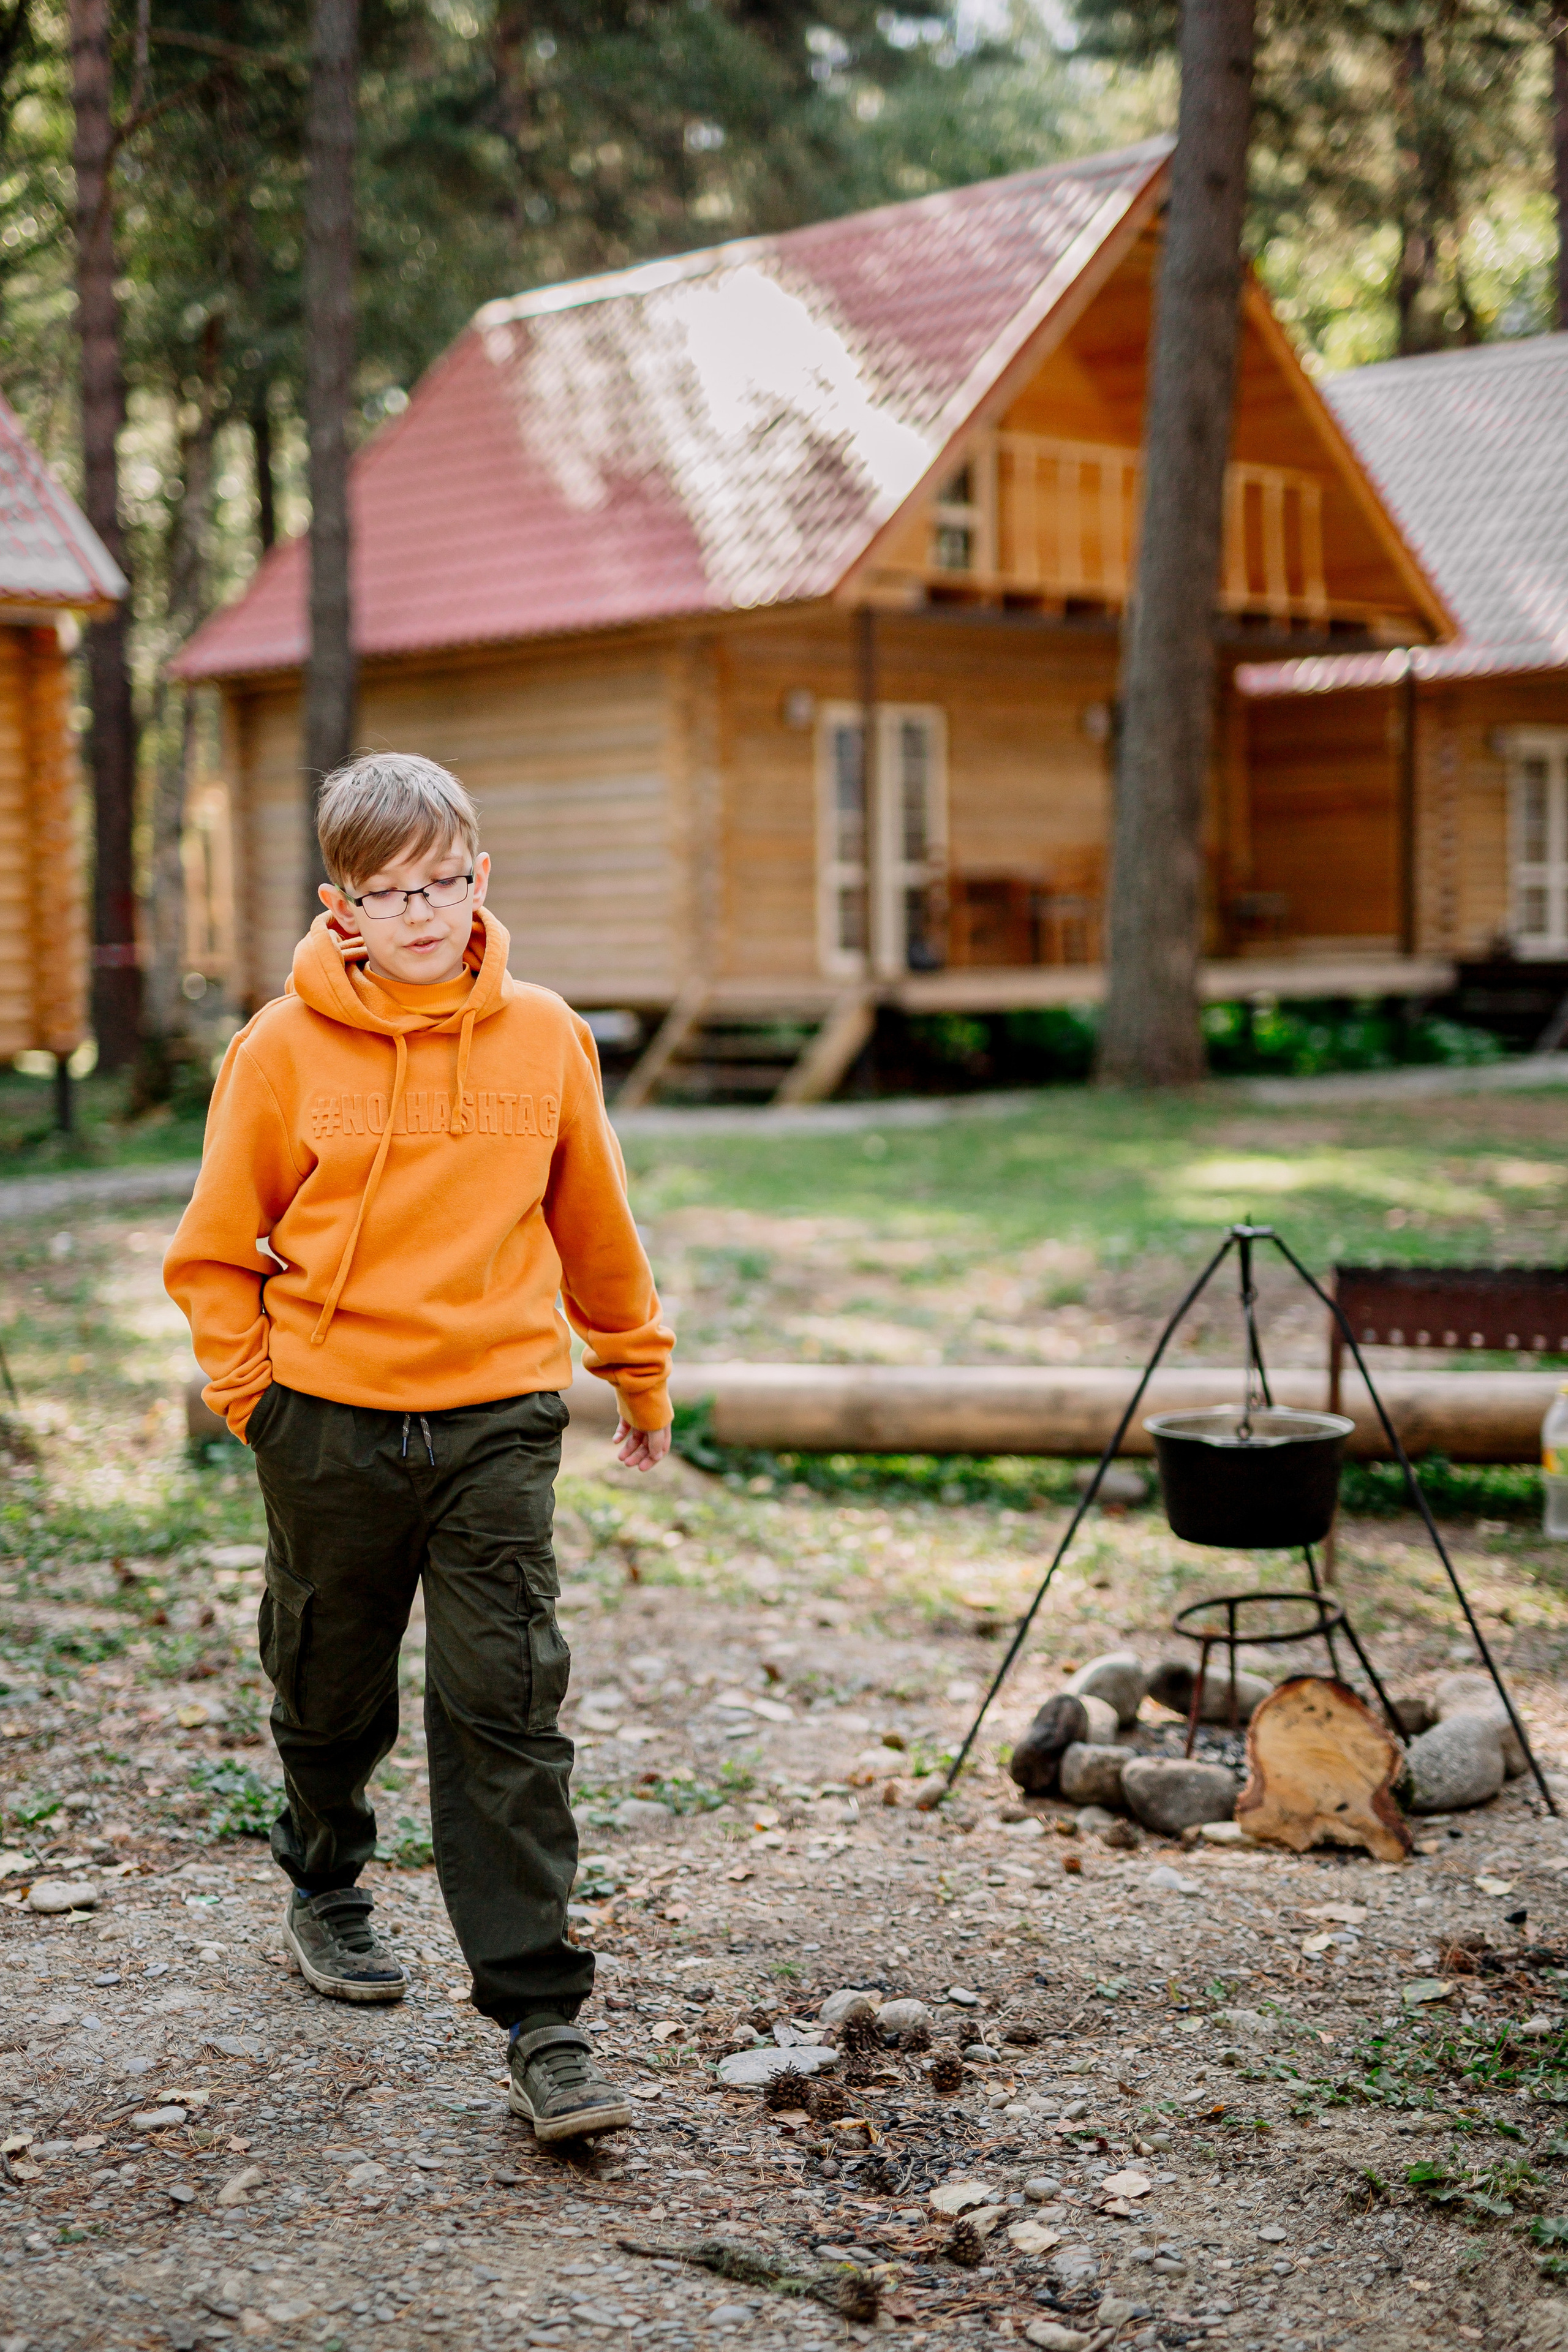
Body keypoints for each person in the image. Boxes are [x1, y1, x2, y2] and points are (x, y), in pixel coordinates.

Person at [165, 750, 673, 2144]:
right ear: (342, 905)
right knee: (329, 1683)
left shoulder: (545, 1035)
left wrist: (634, 1371)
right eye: (393, 894)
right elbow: (215, 1253)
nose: (426, 912)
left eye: (446, 881)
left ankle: (541, 2018)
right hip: (323, 1418)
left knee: (503, 1699)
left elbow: (596, 1227)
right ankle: (324, 1875)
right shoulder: (279, 1049)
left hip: (496, 1417)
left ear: (480, 876)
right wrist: (252, 1397)